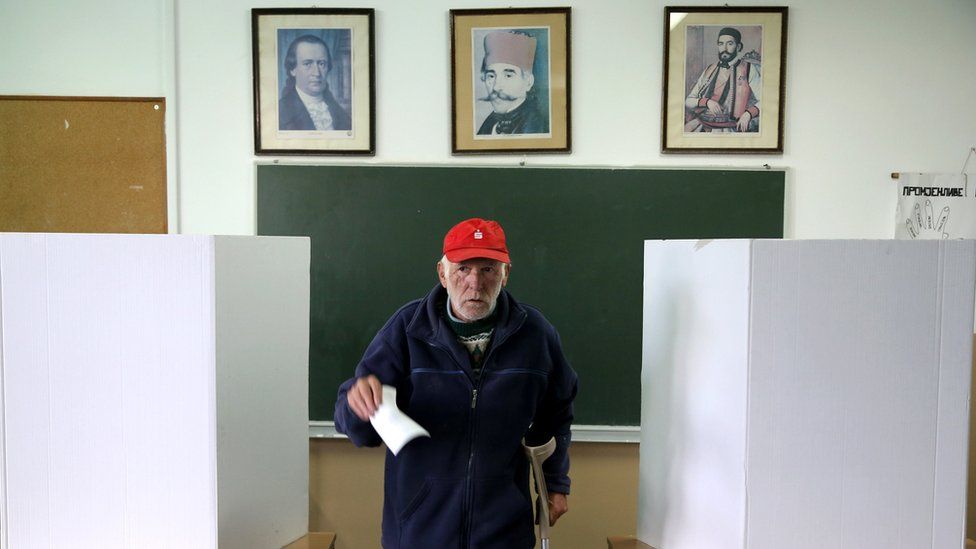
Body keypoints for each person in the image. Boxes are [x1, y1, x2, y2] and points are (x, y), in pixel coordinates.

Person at [335, 218, 578, 548]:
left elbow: (557, 413)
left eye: (488, 270)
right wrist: (356, 404)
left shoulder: (535, 334)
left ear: (506, 274)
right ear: (442, 273)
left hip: (503, 530)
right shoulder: (407, 329)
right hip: (419, 530)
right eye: (463, 269)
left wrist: (555, 482)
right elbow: (358, 430)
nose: (475, 283)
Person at [684, 27, 761, 133]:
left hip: (730, 128)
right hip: (703, 123)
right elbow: (688, 101)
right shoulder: (709, 69)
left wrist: (748, 114)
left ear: (738, 47)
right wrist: (707, 102)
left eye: (729, 44)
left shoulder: (749, 69)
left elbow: (765, 101)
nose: (724, 48)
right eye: (721, 44)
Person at [477, 31, 548, 135]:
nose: (496, 87)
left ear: (528, 82)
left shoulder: (537, 126)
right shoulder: (489, 124)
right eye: (491, 76)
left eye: (508, 76)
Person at [278, 34, 351, 131]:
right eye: (307, 64)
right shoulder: (280, 111)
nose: (316, 73)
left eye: (321, 64)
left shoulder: (340, 113)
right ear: (293, 69)